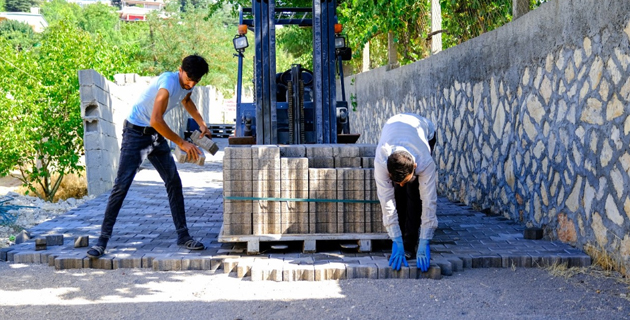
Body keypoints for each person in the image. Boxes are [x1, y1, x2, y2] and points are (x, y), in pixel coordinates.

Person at [87, 55, 211, 258]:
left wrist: (201, 123)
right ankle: (102, 240)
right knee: (121, 186)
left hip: (156, 137)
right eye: (189, 79)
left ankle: (183, 235)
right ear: (180, 69)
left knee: (173, 181)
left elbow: (186, 101)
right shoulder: (167, 83)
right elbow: (156, 120)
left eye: (196, 81)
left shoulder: (188, 84)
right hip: (136, 134)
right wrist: (181, 142)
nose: (191, 84)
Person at [374, 113, 438, 272]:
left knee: (415, 194)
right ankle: (400, 238)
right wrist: (395, 237)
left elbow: (429, 200)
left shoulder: (424, 162)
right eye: (397, 181)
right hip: (393, 127)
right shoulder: (382, 161)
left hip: (424, 132)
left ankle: (411, 243)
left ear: (415, 166)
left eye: (405, 179)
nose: (401, 184)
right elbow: (386, 202)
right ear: (389, 173)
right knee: (397, 193)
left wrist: (426, 239)